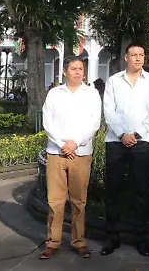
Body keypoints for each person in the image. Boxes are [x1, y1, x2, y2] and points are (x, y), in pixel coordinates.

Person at [101, 42, 149, 257]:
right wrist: (121, 134)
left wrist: (136, 135)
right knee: (113, 191)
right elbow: (108, 110)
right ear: (126, 57)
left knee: (142, 192)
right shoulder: (113, 81)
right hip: (115, 142)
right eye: (133, 55)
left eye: (141, 55)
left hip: (143, 142)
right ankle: (112, 238)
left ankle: (141, 239)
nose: (138, 58)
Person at [39, 57, 103, 260]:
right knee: (55, 201)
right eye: (73, 69)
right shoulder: (54, 94)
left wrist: (75, 143)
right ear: (65, 71)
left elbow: (94, 122)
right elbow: (47, 121)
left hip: (81, 153)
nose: (78, 72)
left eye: (81, 69)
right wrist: (62, 143)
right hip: (56, 152)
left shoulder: (91, 93)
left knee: (79, 201)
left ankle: (79, 241)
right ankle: (52, 242)